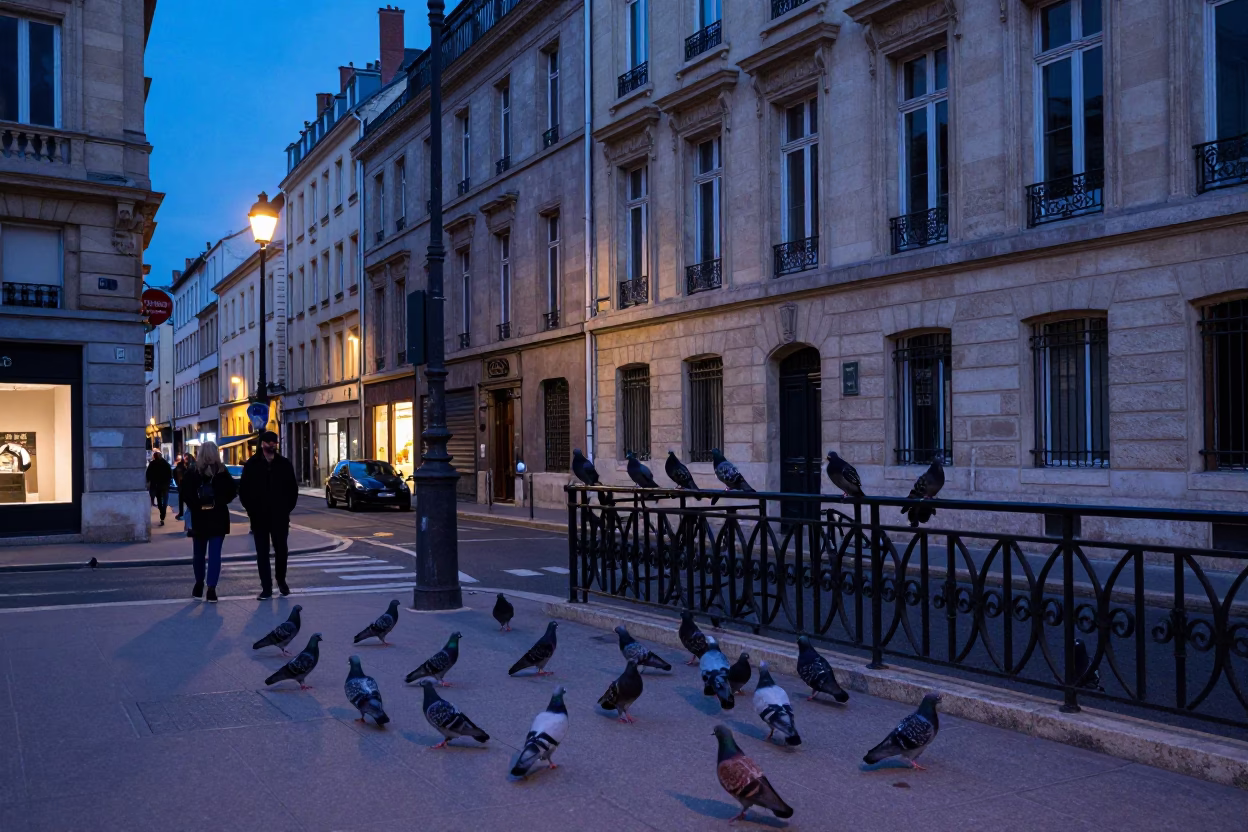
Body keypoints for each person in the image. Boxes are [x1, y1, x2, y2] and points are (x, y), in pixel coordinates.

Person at [239, 430, 300, 600]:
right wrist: (251, 510)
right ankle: (266, 587)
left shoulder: (284, 464)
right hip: (259, 517)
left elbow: (292, 489)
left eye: (275, 442)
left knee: (282, 550)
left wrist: (286, 508)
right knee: (262, 552)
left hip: (280, 516)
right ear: (262, 444)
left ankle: (281, 580)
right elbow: (244, 491)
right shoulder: (252, 464)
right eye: (269, 442)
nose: (273, 445)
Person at [181, 441, 236, 603]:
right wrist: (219, 502)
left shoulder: (193, 472)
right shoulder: (222, 472)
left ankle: (199, 584)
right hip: (218, 517)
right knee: (214, 555)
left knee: (198, 553)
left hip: (199, 518)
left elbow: (184, 493)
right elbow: (232, 492)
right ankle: (211, 588)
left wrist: (196, 506)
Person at [145, 450, 173, 525]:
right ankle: (163, 513)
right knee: (165, 500)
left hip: (157, 485)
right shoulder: (166, 464)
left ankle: (162, 513)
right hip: (165, 485)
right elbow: (170, 474)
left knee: (159, 500)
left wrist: (149, 480)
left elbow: (148, 474)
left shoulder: (152, 464)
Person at [173, 454, 187, 520]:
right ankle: (182, 513)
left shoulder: (180, 467)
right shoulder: (184, 467)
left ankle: (181, 513)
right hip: (183, 485)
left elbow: (175, 474)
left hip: (181, 485)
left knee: (182, 500)